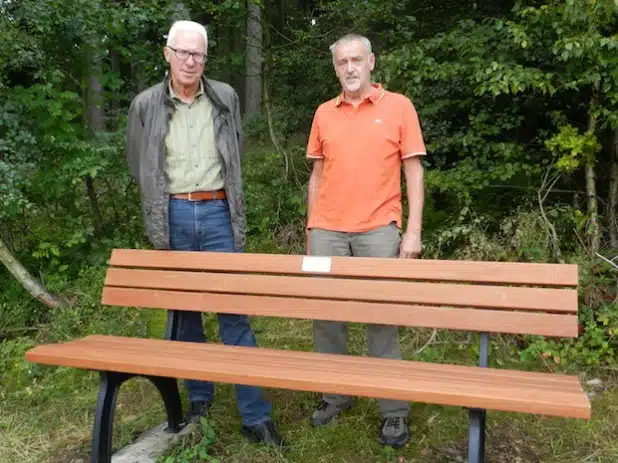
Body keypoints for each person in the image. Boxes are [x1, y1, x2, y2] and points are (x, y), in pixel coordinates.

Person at [125, 20, 282, 447]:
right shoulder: (145, 105)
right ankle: (199, 401)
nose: (191, 61)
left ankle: (256, 417)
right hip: (173, 214)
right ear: (167, 54)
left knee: (233, 313)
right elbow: (139, 162)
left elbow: (235, 152)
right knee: (185, 315)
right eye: (184, 53)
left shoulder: (225, 97)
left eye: (199, 54)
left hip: (216, 212)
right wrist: (161, 208)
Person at [305, 33, 426, 448]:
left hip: (379, 230)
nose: (350, 68)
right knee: (326, 318)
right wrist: (312, 228)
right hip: (328, 232)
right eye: (343, 62)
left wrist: (412, 231)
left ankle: (393, 412)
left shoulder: (399, 107)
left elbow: (413, 171)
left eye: (357, 60)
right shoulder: (324, 113)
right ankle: (335, 395)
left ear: (372, 61)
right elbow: (317, 175)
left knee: (381, 321)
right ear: (335, 67)